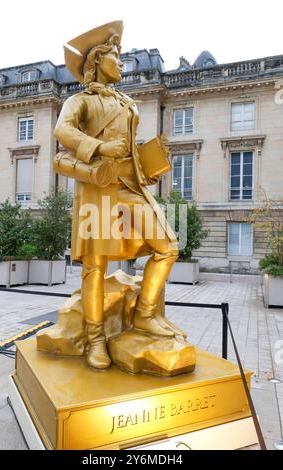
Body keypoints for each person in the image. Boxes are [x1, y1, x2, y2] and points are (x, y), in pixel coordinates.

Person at [54, 21, 179, 370]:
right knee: (95, 267)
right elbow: (62, 131)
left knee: (167, 248)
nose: (122, 63)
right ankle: (95, 339)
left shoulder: (128, 103)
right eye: (116, 57)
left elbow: (129, 150)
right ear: (96, 61)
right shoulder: (79, 101)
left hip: (130, 187)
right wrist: (98, 146)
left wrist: (149, 165)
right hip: (98, 187)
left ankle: (144, 315)